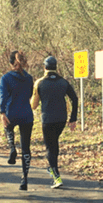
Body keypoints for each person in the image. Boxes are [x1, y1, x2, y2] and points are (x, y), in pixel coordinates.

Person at [31, 56, 78, 188]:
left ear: (44, 67)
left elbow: (33, 105)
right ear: (56, 67)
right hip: (61, 119)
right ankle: (52, 167)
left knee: (50, 147)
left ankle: (56, 176)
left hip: (47, 119)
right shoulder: (64, 82)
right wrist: (73, 118)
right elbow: (74, 99)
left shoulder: (39, 83)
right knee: (54, 144)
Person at [0, 50, 34, 190]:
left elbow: (3, 96)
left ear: (10, 62)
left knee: (7, 127)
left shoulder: (6, 78)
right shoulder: (29, 78)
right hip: (26, 114)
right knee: (26, 148)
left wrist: (2, 112)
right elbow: (30, 94)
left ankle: (12, 147)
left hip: (11, 112)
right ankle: (24, 178)